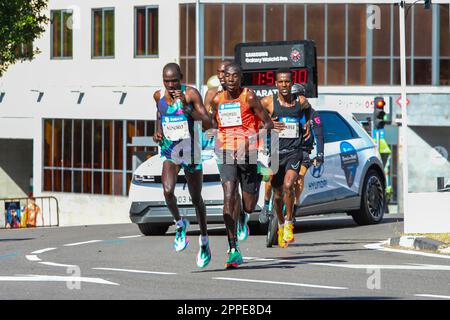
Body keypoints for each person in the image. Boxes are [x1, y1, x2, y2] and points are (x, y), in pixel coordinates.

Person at [209, 62, 273, 268]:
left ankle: (244, 216)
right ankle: (233, 248)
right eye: (227, 76)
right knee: (228, 193)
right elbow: (211, 123)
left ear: (240, 78)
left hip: (249, 152)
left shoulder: (249, 97)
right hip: (226, 150)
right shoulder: (217, 99)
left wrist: (250, 141)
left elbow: (268, 124)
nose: (230, 79)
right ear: (223, 78)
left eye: (234, 76)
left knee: (248, 205)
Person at [153, 63, 213, 268]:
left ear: (181, 77)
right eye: (167, 81)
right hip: (171, 150)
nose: (171, 85)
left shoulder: (191, 94)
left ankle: (204, 240)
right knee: (167, 191)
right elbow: (160, 114)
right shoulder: (158, 95)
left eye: (174, 81)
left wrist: (187, 109)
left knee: (197, 199)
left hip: (191, 151)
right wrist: (158, 131)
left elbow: (208, 123)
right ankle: (180, 225)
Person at [260, 69, 309, 248]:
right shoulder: (268, 102)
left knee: (289, 186)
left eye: (287, 82)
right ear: (276, 84)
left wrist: (309, 123)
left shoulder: (301, 102)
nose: (284, 85)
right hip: (274, 152)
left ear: (292, 82)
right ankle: (280, 224)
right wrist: (269, 124)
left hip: (293, 152)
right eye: (281, 82)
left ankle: (289, 223)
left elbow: (310, 111)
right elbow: (255, 116)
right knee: (278, 194)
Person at [292, 84, 324, 207]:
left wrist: (320, 155)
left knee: (300, 174)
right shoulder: (286, 110)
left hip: (303, 150)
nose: (295, 100)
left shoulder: (312, 114)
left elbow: (319, 136)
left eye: (298, 96)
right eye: (292, 97)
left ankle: (295, 203)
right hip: (286, 148)